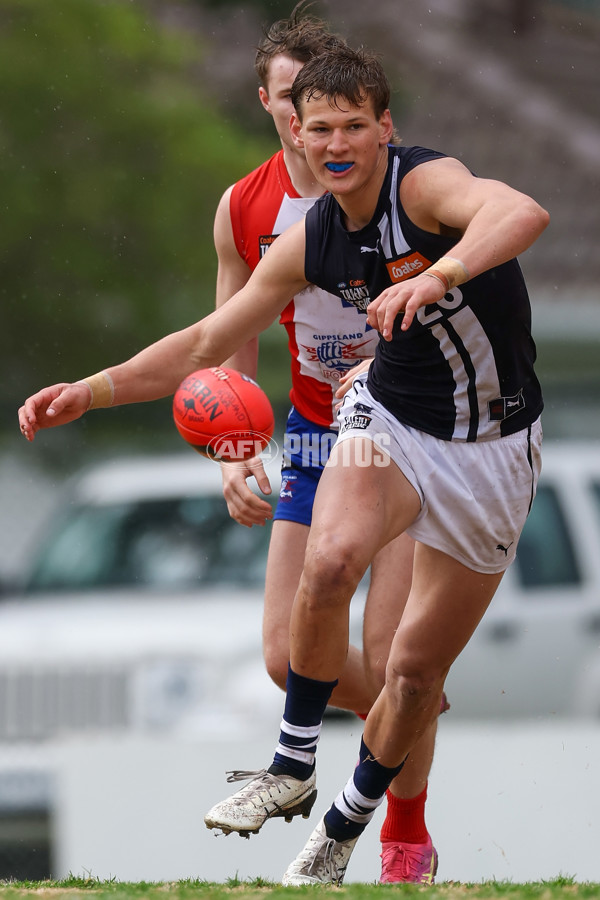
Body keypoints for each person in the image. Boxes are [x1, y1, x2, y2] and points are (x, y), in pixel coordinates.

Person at [18, 43, 549, 885]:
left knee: (410, 675)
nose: (333, 145)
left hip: (492, 447)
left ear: (384, 129)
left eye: (351, 128)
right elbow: (207, 340)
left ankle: (347, 825)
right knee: (330, 560)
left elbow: (521, 210)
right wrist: (94, 388)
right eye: (318, 131)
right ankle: (292, 765)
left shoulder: (423, 185)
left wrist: (437, 273)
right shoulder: (305, 236)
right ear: (294, 133)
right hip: (384, 421)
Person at [214, 5, 443, 883]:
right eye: (289, 107)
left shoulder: (400, 189)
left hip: (411, 430)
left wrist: (385, 361)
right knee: (286, 656)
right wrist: (237, 445)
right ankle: (411, 709)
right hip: (317, 432)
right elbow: (231, 330)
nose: (308, 128)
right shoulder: (247, 204)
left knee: (392, 658)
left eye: (330, 113)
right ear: (274, 106)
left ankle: (404, 839)